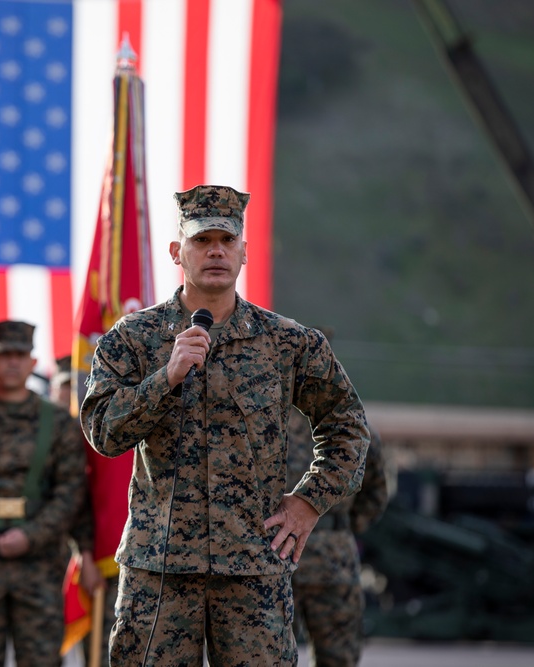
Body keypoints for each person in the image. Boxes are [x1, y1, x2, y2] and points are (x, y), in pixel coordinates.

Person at [80, 185, 371, 667]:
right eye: (201, 239)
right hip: (160, 572)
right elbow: (102, 432)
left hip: (253, 569)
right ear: (177, 251)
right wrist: (165, 378)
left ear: (243, 253)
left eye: (226, 240)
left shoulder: (290, 343)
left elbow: (348, 427)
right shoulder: (133, 338)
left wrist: (307, 504)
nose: (215, 250)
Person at [0, 322, 88, 667]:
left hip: (40, 566)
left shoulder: (58, 423)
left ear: (33, 363)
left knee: (41, 659)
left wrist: (31, 536)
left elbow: (71, 491)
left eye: (20, 355)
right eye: (4, 356)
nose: (13, 364)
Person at [287, 333, 389, 667]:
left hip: (297, 554)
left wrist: (343, 526)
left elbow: (375, 489)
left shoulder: (348, 424)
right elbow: (376, 494)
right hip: (311, 557)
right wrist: (344, 527)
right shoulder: (350, 424)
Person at [50, 355, 111, 665]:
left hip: (90, 550)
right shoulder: (48, 434)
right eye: (63, 388)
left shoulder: (92, 434)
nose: (68, 395)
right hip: (49, 554)